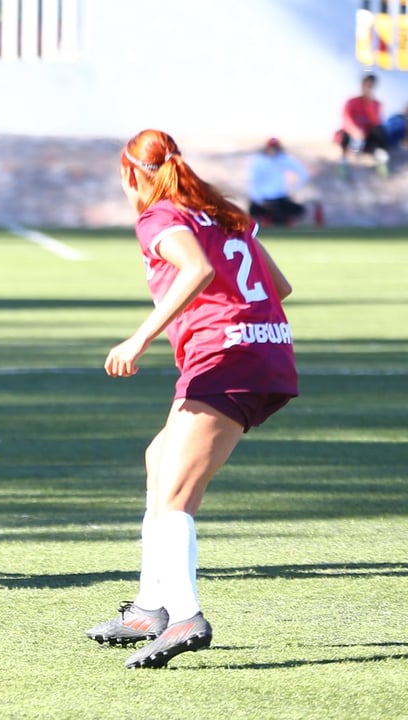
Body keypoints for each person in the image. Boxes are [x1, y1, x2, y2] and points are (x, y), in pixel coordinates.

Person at [85, 129, 298, 669]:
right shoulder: (220, 212)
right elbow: (281, 285)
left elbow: (197, 270)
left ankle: (183, 615)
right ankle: (148, 608)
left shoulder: (159, 217)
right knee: (160, 460)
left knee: (176, 492)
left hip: (228, 359)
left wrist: (140, 337)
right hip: (256, 352)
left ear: (133, 174)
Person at [336, 73, 390, 177]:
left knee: (381, 131)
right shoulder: (351, 102)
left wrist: (369, 103)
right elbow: (345, 119)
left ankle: (382, 159)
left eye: (371, 86)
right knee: (343, 135)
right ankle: (343, 162)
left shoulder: (376, 104)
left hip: (367, 138)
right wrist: (354, 130)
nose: (368, 88)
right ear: (362, 85)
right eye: (366, 85)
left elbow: (376, 122)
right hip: (354, 136)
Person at [246, 138, 310, 227]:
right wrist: (259, 200)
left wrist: (294, 190)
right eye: (271, 147)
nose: (273, 150)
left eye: (275, 147)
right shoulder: (259, 161)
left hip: (280, 198)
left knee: (297, 210)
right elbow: (254, 182)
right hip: (264, 199)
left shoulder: (284, 159)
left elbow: (303, 173)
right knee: (272, 214)